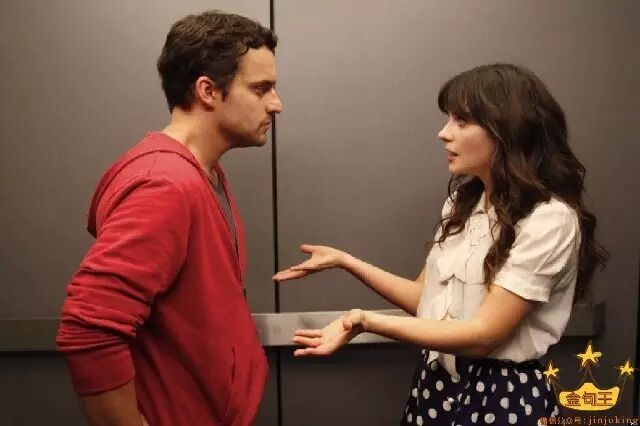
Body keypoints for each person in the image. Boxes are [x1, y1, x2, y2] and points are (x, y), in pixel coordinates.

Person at [273, 63, 607, 425]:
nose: (443, 133)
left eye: (462, 121)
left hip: (501, 397)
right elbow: (425, 299)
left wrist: (366, 321)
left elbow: (483, 336)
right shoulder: (463, 203)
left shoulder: (549, 219)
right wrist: (345, 261)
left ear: (507, 130)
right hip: (433, 387)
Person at [56, 10, 282, 426]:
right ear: (207, 90)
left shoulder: (203, 173)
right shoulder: (165, 184)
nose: (276, 104)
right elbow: (89, 328)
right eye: (261, 88)